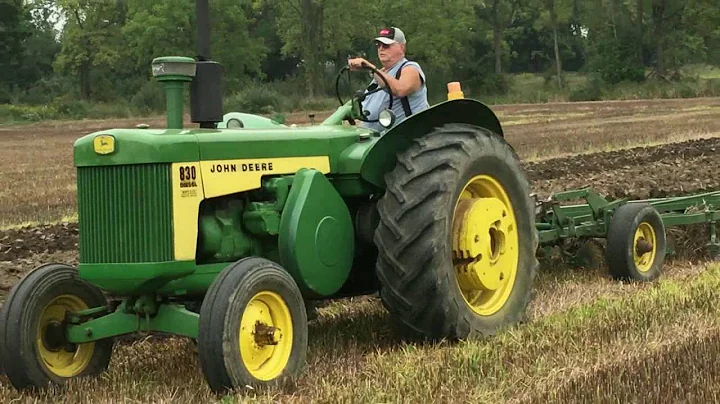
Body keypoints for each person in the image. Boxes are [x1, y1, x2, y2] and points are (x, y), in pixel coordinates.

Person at [347, 27, 429, 132]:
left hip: (404, 138)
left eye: (386, 45)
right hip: (372, 141)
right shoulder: (379, 75)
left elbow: (400, 90)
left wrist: (371, 68)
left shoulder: (410, 68)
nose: (381, 49)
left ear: (402, 47)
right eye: (379, 45)